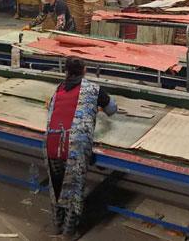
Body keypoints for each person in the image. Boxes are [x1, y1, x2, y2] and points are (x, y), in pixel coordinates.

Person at [45, 56, 117, 239]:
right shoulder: (94, 89)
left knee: (56, 185)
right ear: (85, 71)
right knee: (73, 189)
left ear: (65, 72)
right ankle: (69, 233)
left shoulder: (58, 89)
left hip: (52, 142)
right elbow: (112, 109)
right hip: (74, 146)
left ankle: (56, 226)